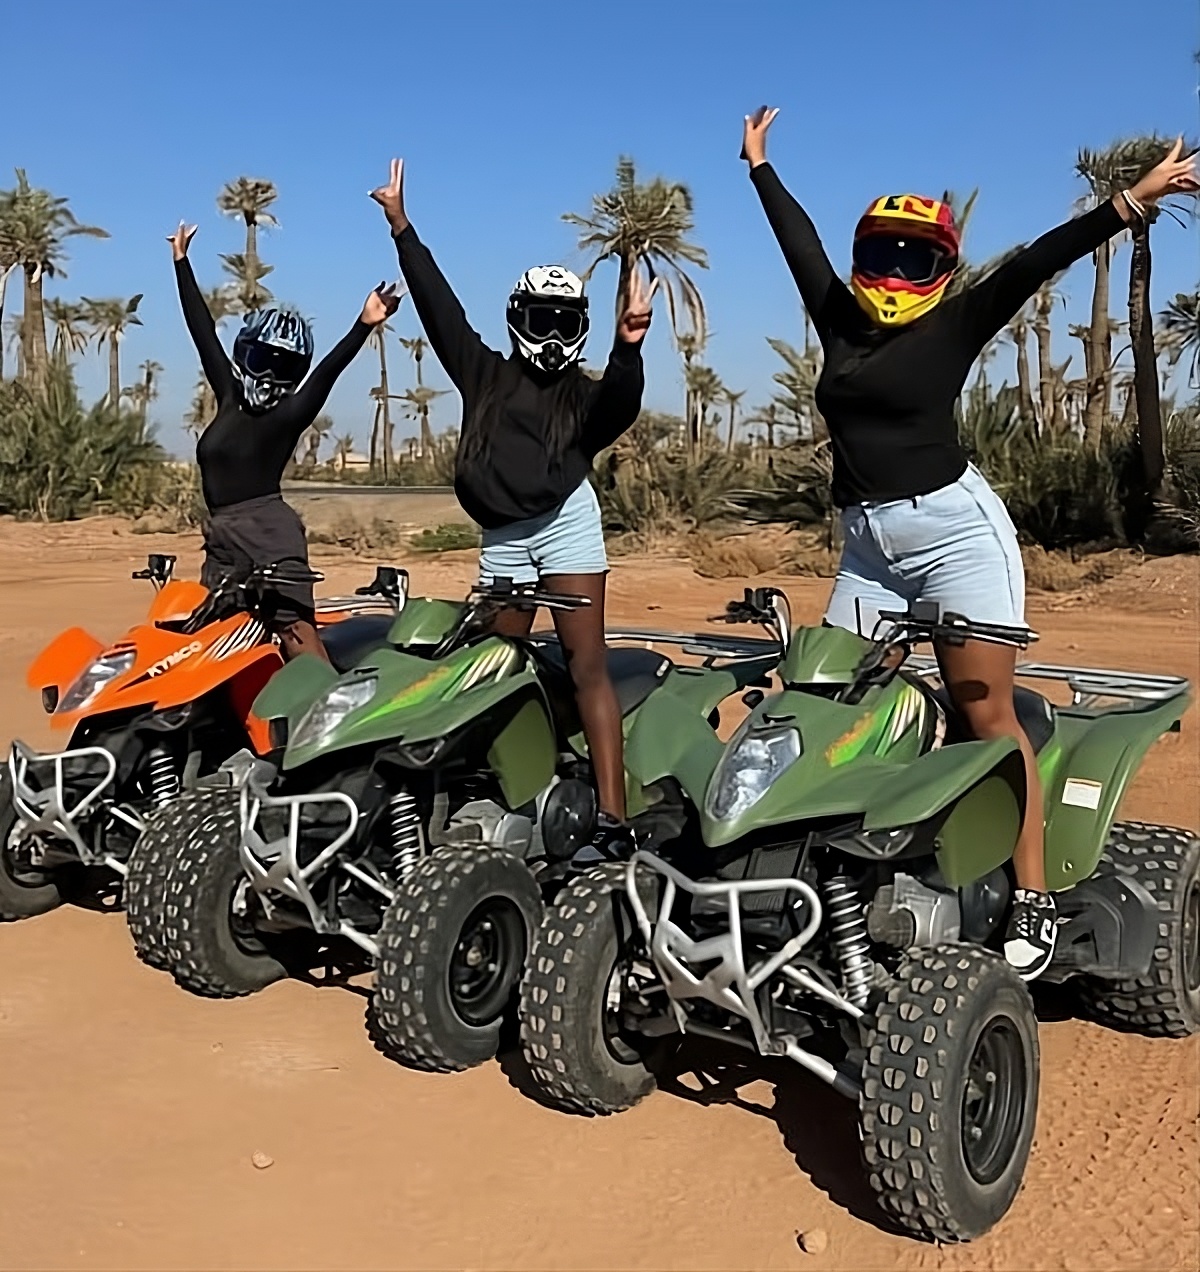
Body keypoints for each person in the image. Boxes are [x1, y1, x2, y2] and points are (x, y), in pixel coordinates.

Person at [741, 111, 1197, 981]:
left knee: (983, 711)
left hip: (954, 534)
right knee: (831, 699)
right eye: (883, 254)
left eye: (916, 259)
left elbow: (1034, 262)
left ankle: (1031, 894)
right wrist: (760, 167)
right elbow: (794, 239)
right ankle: (843, 873)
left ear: (941, 271)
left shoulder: (950, 327)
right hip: (869, 544)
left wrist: (1131, 204)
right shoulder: (838, 317)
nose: (895, 272)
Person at [369, 159, 655, 857]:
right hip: (503, 540)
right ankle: (503, 785)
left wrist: (627, 347)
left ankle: (615, 822)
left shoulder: (582, 398)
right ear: (517, 320)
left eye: (565, 321)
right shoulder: (483, 372)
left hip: (565, 528)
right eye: (540, 319)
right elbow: (440, 309)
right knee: (497, 661)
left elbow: (621, 405)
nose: (552, 333)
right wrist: (403, 227)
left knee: (587, 663)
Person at [169, 222, 400, 660]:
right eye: (263, 359)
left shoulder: (291, 412)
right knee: (219, 639)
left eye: (286, 367)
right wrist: (181, 262)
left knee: (296, 633)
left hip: (270, 534)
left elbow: (330, 370)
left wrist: (364, 323)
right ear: (244, 354)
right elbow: (201, 331)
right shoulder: (229, 394)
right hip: (222, 538)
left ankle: (326, 716)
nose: (272, 375)